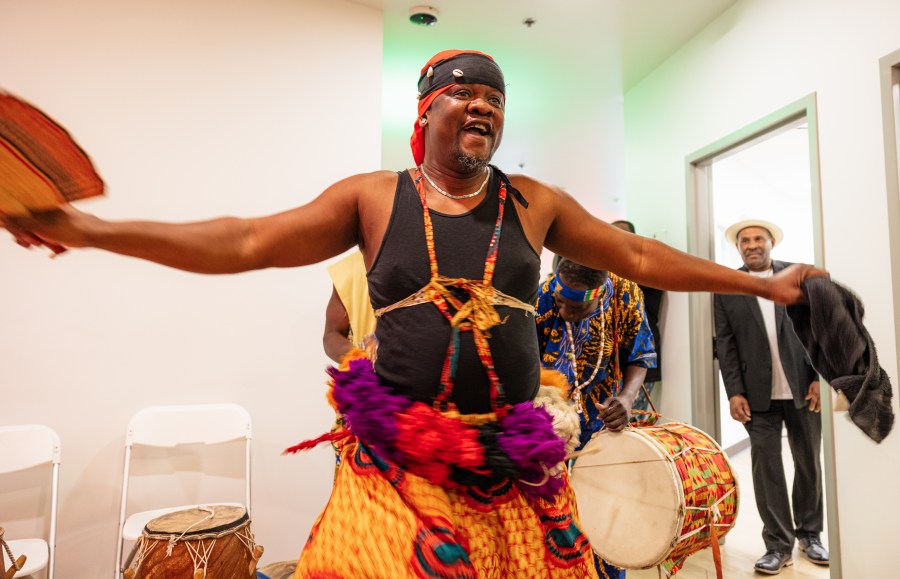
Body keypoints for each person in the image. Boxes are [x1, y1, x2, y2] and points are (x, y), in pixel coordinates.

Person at [3, 50, 823, 578]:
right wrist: (89, 229)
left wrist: (767, 286)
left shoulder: (532, 202)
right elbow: (247, 238)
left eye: (495, 101)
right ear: (424, 112)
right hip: (395, 470)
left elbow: (637, 258)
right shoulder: (372, 197)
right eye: (465, 94)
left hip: (513, 469)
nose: (484, 109)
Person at [714, 219, 828, 575]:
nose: (752, 245)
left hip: (802, 388)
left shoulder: (798, 278)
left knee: (808, 462)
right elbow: (725, 343)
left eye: (758, 238)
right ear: (738, 248)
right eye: (744, 240)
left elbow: (820, 330)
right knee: (767, 470)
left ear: (770, 243)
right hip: (755, 395)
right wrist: (733, 391)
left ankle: (810, 534)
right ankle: (778, 545)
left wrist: (819, 379)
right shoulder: (727, 286)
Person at [535, 257, 656, 579]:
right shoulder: (544, 294)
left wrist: (627, 399)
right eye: (561, 304)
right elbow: (524, 359)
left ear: (599, 296)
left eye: (575, 310)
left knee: (605, 517)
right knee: (553, 523)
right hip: (551, 426)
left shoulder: (625, 295)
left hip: (605, 427)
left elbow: (640, 353)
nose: (564, 314)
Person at [611, 219, 665, 413]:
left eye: (622, 235)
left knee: (634, 423)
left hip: (640, 360)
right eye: (611, 235)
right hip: (610, 364)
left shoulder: (647, 268)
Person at [323, 250, 376, 362]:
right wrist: (357, 359)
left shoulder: (419, 259)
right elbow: (332, 333)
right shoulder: (350, 269)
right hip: (369, 375)